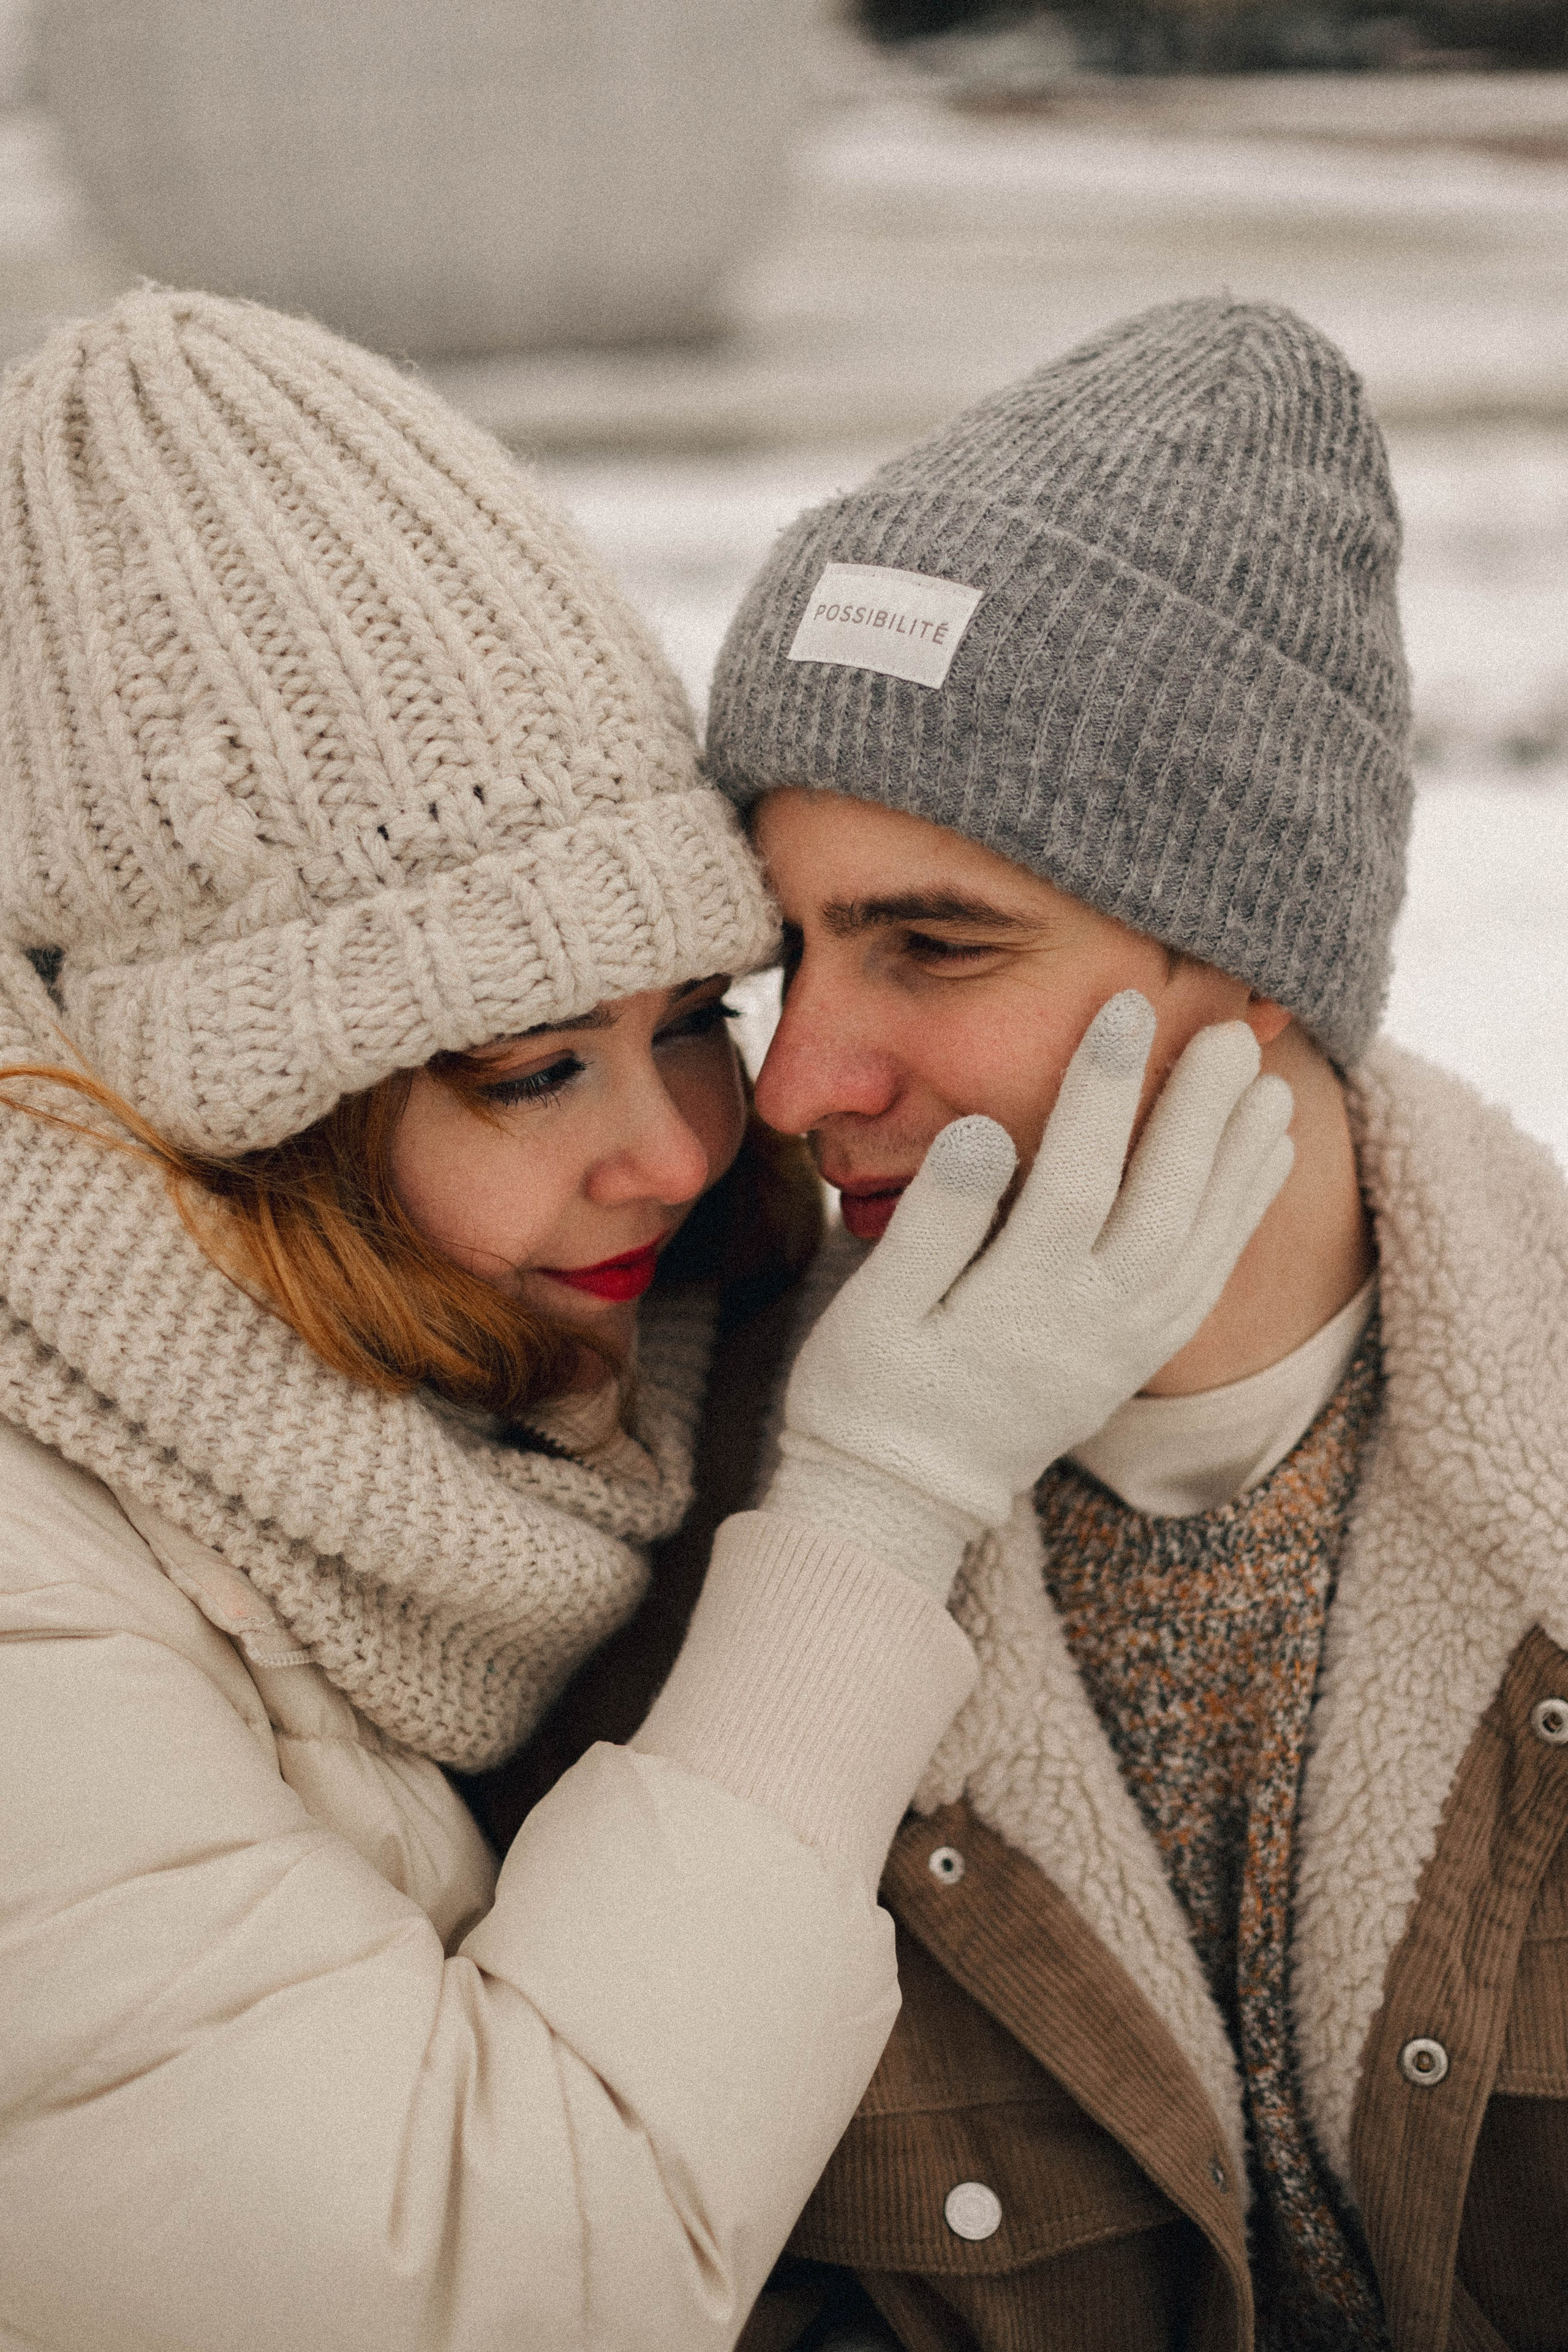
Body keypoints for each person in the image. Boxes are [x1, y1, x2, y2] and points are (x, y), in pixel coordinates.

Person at [0, 291, 1291, 2352]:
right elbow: (457, 2289)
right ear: (216, 1116)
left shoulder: (526, 1420)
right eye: (530, 1071)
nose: (695, 1149)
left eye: (698, 1016)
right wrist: (874, 1504)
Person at [694, 300, 1568, 2350]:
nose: (803, 1080)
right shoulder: (683, 1529)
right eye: (783, 956)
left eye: (935, 946)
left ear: (1253, 960)